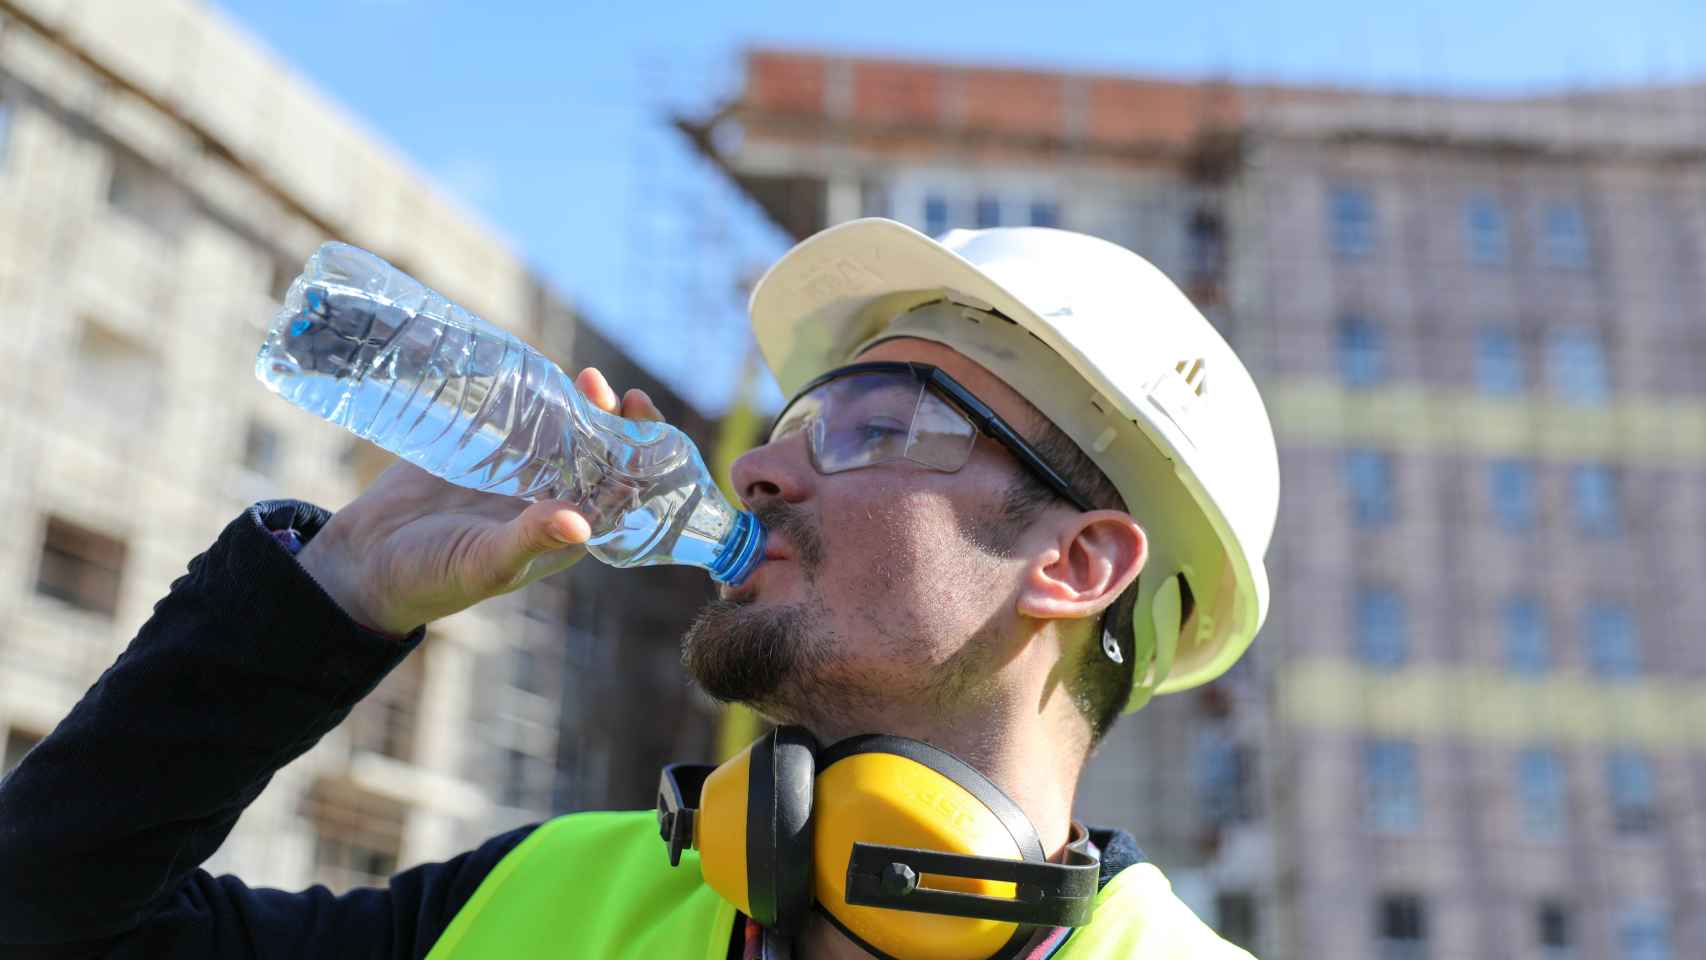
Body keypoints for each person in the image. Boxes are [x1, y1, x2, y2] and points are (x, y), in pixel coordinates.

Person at [0, 219, 1278, 959]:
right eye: (791, 419)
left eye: (876, 423)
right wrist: (327, 592)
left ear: (1075, 562)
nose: (761, 466)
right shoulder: (541, 901)